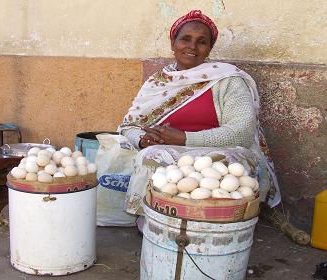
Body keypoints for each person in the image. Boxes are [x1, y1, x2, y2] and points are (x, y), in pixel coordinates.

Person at [117, 10, 281, 216]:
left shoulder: (227, 80)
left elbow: (242, 132)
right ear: (173, 43)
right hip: (168, 155)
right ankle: (153, 218)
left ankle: (212, 220)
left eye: (201, 41)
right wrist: (144, 140)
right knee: (152, 155)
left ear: (209, 48)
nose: (192, 47)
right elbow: (128, 127)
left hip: (221, 155)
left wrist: (184, 138)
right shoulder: (157, 83)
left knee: (227, 171)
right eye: (185, 39)